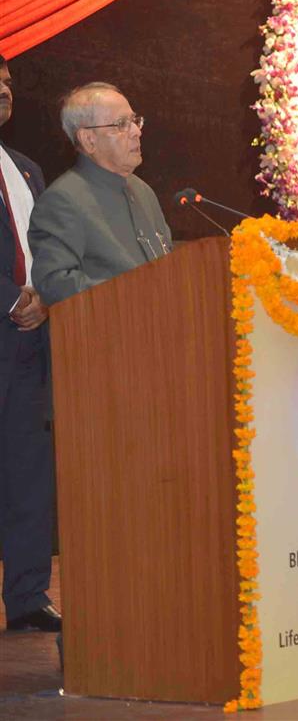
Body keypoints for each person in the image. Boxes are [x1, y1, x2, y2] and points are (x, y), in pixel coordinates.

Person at [0, 55, 60, 632]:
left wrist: (45, 293)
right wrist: (9, 300)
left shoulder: (26, 169)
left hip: (29, 344)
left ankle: (27, 594)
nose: (3, 89)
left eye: (9, 81)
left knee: (27, 472)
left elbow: (44, 248)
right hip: (6, 321)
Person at [28, 83, 172, 305]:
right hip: (110, 332)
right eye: (122, 124)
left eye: (135, 120)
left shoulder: (143, 191)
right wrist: (134, 294)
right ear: (89, 140)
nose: (137, 131)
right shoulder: (62, 200)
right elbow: (54, 283)